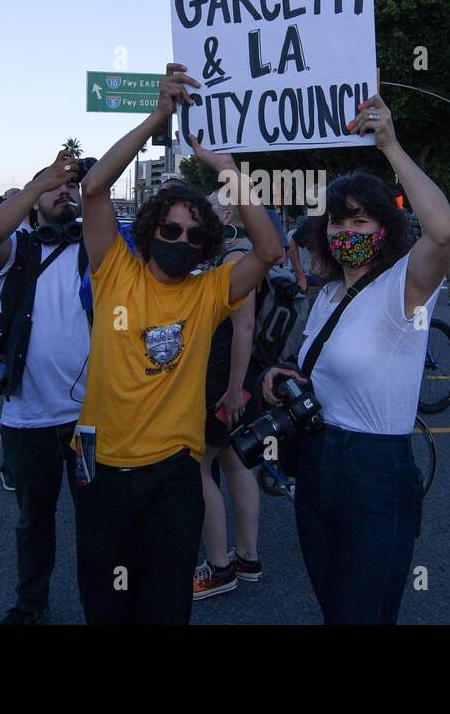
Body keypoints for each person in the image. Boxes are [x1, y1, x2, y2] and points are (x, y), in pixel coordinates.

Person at [72, 62, 282, 625]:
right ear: (148, 230)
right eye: (170, 230)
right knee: (106, 608)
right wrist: (156, 117)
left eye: (194, 235)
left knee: (165, 609)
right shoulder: (113, 267)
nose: (181, 241)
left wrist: (231, 172)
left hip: (172, 477)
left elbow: (268, 253)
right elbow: (93, 187)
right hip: (100, 471)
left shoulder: (209, 290)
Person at [261, 95, 450, 624]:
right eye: (338, 223)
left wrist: (391, 145)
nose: (348, 233)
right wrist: (283, 378)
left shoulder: (405, 288)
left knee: (363, 613)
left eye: (362, 222)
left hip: (376, 471)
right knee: (335, 608)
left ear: (385, 230)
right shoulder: (324, 293)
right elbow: (320, 369)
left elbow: (443, 232)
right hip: (318, 462)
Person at [0, 154, 97, 625]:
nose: (66, 193)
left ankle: (99, 604)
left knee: (96, 521)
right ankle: (30, 605)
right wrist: (41, 181)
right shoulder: (15, 250)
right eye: (54, 189)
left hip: (89, 421)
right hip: (27, 418)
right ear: (32, 202)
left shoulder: (95, 247)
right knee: (33, 522)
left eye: (72, 189)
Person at [192, 191, 263, 601]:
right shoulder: (230, 254)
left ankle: (219, 567)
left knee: (200, 467)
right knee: (236, 464)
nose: (204, 214)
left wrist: (233, 390)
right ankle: (247, 558)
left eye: (211, 208)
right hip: (229, 375)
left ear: (231, 213)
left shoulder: (237, 257)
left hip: (222, 378)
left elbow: (245, 328)